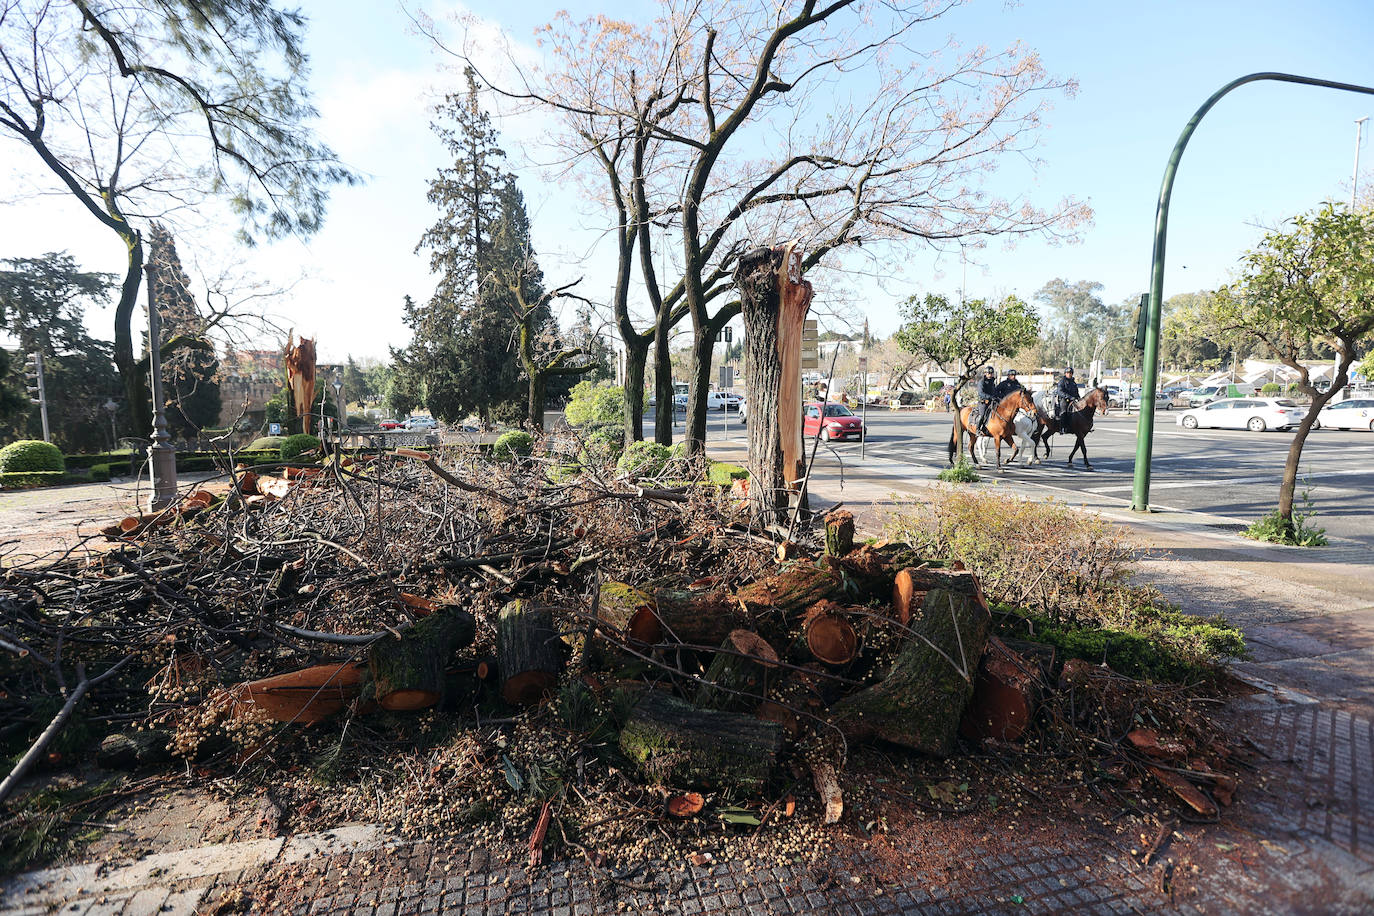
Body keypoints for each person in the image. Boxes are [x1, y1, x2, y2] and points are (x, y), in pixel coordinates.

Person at [974, 366, 998, 434]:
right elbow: (981, 393)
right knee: (982, 414)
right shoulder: (981, 382)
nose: (990, 375)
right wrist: (990, 397)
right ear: (985, 374)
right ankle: (978, 429)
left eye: (991, 373)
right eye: (989, 373)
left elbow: (994, 391)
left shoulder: (992, 382)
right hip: (984, 402)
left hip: (992, 402)